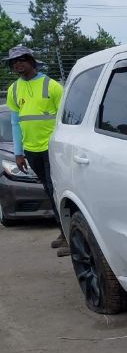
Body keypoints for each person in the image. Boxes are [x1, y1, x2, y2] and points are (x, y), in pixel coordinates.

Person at [5, 45, 67, 256]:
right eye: (13, 62)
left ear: (31, 60)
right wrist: (19, 153)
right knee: (50, 192)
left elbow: (65, 118)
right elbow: (15, 123)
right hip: (31, 150)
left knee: (56, 189)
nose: (17, 64)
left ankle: (69, 236)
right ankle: (64, 232)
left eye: (21, 59)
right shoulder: (14, 89)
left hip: (53, 148)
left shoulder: (52, 86)